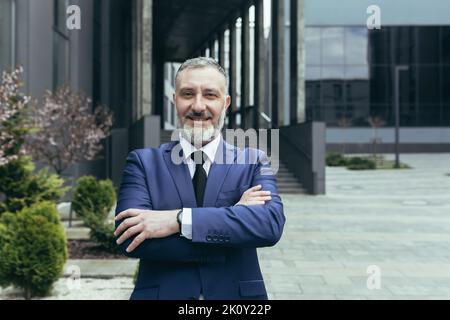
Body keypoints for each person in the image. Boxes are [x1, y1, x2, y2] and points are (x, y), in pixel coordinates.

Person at [114, 57, 285, 300]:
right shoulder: (142, 163)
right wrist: (232, 225)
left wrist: (179, 220)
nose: (198, 106)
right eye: (187, 94)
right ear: (174, 101)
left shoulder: (254, 161)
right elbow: (129, 238)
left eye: (210, 95)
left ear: (225, 103)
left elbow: (268, 225)